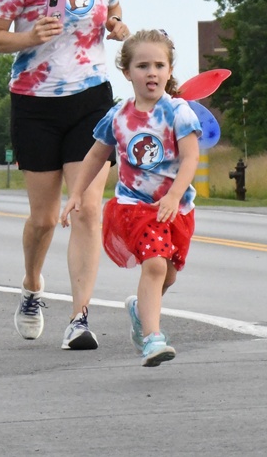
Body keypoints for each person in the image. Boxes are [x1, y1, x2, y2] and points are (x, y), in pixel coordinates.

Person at [0, 0, 130, 350]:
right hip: (35, 103)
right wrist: (27, 36)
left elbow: (115, 13)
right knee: (44, 219)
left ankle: (79, 319)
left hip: (90, 99)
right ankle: (31, 286)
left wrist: (118, 27)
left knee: (86, 209)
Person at [61, 29, 201, 367]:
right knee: (153, 266)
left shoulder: (178, 112)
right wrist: (76, 193)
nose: (151, 72)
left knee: (167, 274)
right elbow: (96, 155)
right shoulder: (118, 115)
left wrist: (174, 196)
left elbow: (190, 158)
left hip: (174, 207)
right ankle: (152, 339)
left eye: (158, 65)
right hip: (134, 207)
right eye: (142, 66)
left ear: (169, 70)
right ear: (127, 72)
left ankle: (140, 311)